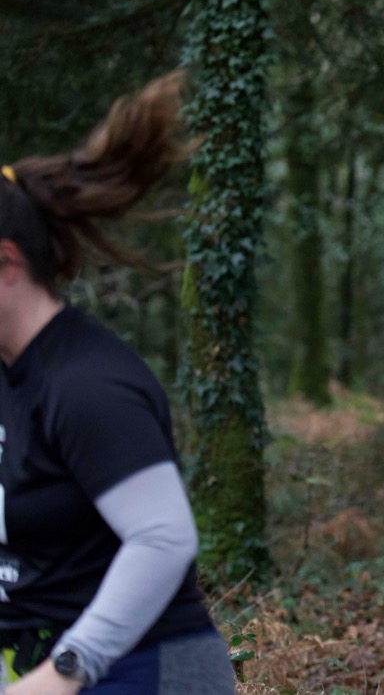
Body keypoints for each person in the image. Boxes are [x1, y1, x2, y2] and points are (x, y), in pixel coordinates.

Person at [0, 72, 237, 694]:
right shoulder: (12, 376)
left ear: (7, 263)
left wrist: (64, 673)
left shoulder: (87, 385)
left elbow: (163, 537)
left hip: (150, 673)